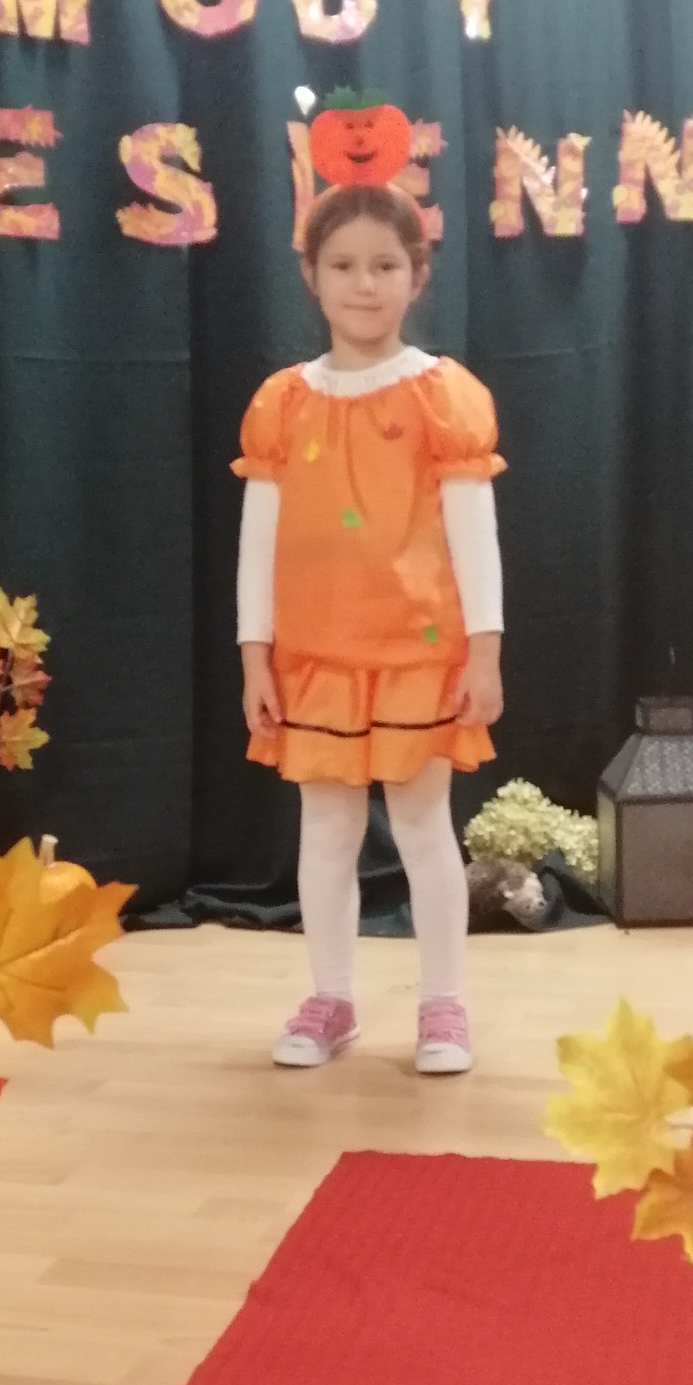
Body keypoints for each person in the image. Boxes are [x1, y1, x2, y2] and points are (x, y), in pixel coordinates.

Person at [234, 178, 504, 1074]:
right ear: (311, 275)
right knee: (325, 829)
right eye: (343, 265)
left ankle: (444, 1004)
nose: (364, 283)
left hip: (420, 652)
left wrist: (485, 651)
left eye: (385, 265)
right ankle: (333, 998)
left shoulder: (441, 398)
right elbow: (257, 545)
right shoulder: (281, 404)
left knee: (424, 825)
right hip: (315, 656)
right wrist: (256, 655)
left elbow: (474, 535)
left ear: (417, 275)